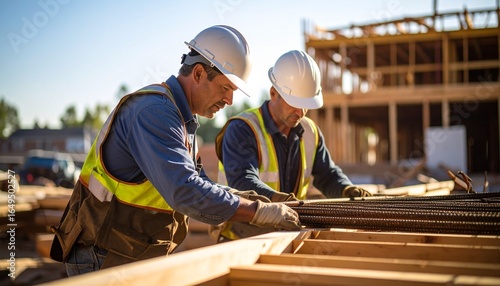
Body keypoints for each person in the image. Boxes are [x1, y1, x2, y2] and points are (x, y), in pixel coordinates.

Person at [49, 25, 301, 276]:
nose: (230, 101)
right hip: (102, 256)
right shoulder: (154, 112)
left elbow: (200, 185)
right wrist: (257, 213)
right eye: (225, 88)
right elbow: (184, 189)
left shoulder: (180, 120)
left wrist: (257, 200)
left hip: (127, 252)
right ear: (199, 73)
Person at [214, 50, 371, 240]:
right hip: (240, 237)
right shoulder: (243, 129)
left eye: (306, 105)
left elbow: (327, 176)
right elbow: (242, 182)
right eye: (294, 103)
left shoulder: (310, 131)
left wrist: (345, 189)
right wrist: (279, 200)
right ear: (273, 93)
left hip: (287, 232)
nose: (301, 112)